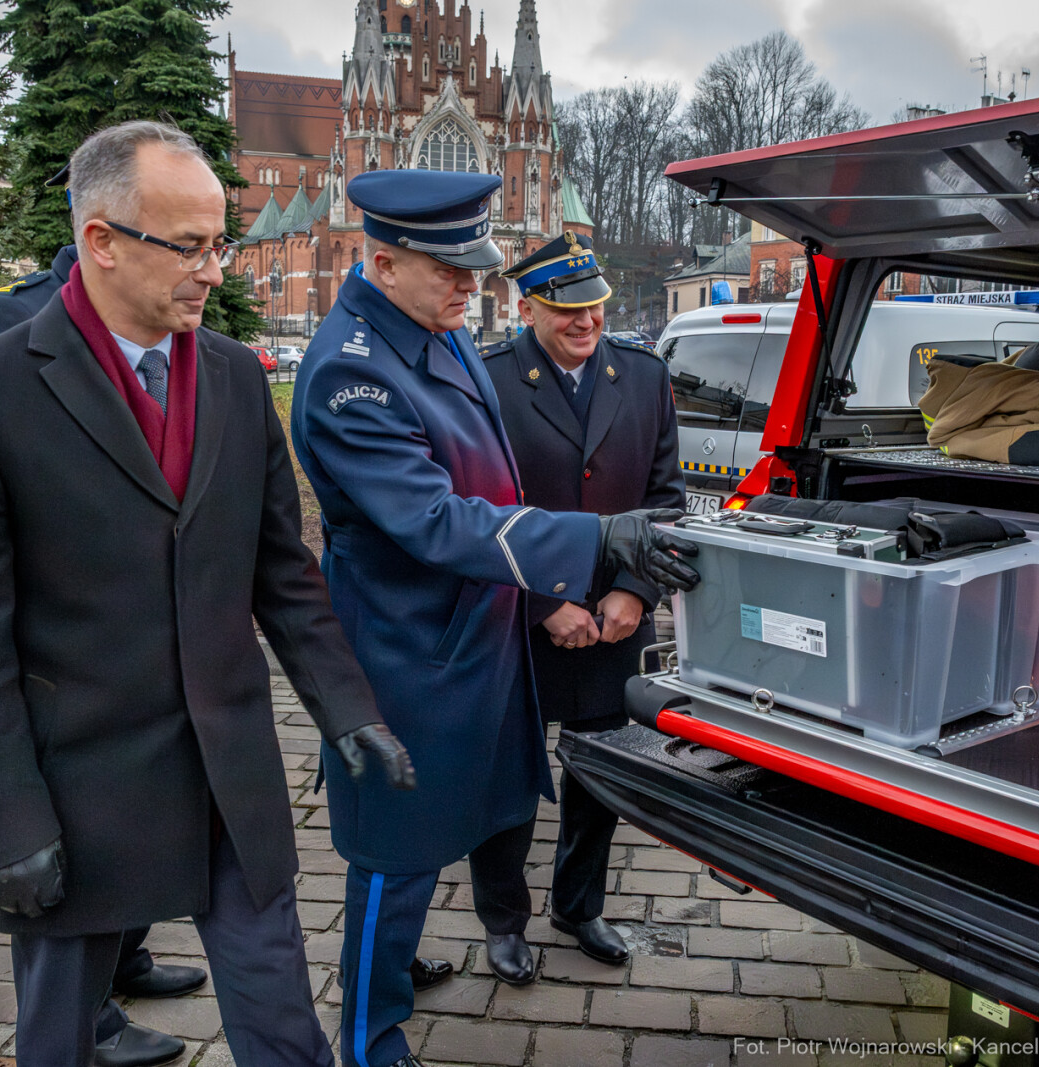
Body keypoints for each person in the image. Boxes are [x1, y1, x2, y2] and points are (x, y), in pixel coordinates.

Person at [0, 120, 415, 1067]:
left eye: (219, 242)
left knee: (281, 1015)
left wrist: (346, 706)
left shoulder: (231, 376)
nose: (215, 269)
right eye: (187, 246)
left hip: (232, 769)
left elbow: (280, 571)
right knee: (60, 1032)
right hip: (78, 788)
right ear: (100, 240)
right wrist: (1, 823)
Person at [290, 169, 700, 1067]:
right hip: (410, 652)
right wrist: (599, 541)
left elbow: (499, 482)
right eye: (451, 270)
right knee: (394, 855)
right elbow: (436, 519)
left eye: (475, 269)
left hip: (477, 637)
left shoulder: (430, 332)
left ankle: (395, 966)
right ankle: (369, 1039)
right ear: (385, 260)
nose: (470, 286)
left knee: (462, 818)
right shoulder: (352, 372)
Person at [0, 166, 204, 1067]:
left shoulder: (174, 318)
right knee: (67, 883)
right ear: (100, 227)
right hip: (60, 639)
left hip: (150, 650)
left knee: (134, 831)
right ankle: (86, 1022)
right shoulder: (14, 314)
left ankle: (129, 959)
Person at [477, 231, 685, 968]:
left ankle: (579, 905)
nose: (586, 322)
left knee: (597, 768)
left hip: (613, 616)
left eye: (595, 306)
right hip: (518, 616)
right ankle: (503, 920)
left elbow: (665, 502)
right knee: (503, 774)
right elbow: (473, 509)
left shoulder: (643, 374)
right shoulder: (487, 379)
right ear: (527, 305)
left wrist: (635, 590)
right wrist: (540, 603)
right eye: (567, 310)